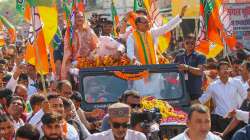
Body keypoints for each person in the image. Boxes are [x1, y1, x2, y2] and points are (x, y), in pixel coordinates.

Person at [198, 61, 247, 132]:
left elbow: (245, 97)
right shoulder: (213, 86)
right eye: (223, 69)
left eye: (227, 69)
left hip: (234, 120)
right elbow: (202, 100)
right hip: (219, 119)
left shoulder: (236, 82)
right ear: (218, 71)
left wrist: (242, 111)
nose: (226, 71)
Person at [174, 33, 206, 101]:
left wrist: (187, 67)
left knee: (194, 110)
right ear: (184, 43)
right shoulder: (179, 56)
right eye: (187, 43)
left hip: (195, 90)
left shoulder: (200, 56)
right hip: (181, 91)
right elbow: (174, 72)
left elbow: (200, 72)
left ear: (195, 44)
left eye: (192, 43)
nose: (189, 45)